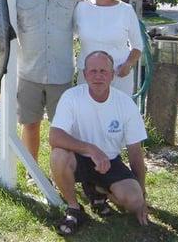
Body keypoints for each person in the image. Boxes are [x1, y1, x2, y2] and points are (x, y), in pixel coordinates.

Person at [49, 51, 148, 236]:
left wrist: (142, 195)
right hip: (79, 159)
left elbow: (135, 153)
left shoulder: (126, 104)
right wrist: (90, 148)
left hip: (110, 161)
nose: (98, 76)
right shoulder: (71, 97)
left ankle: (97, 189)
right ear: (85, 75)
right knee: (58, 155)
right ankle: (74, 208)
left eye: (103, 71)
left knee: (133, 201)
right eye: (93, 71)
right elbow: (54, 137)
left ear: (112, 75)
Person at [16, 0, 86, 168]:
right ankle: (32, 171)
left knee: (62, 128)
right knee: (30, 124)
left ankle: (60, 171)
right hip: (28, 72)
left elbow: (88, 24)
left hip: (62, 73)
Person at [75, 0, 142, 95]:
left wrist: (128, 64)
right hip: (87, 77)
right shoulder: (81, 8)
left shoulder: (126, 10)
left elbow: (138, 46)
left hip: (118, 76)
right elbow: (68, 36)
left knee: (119, 115)